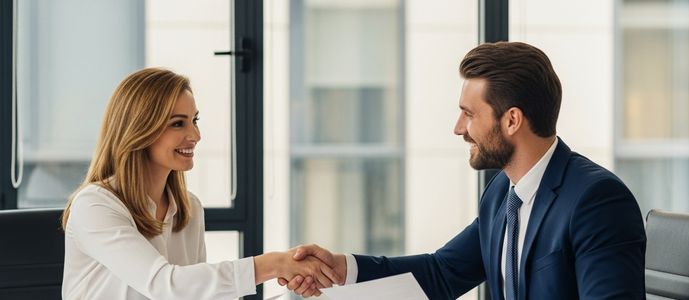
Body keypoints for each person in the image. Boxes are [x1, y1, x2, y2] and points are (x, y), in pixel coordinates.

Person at [282, 42, 647, 299]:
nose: (459, 128)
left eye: (470, 114)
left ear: (512, 120)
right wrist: (342, 269)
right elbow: (442, 274)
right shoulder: (502, 195)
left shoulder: (595, 201)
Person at [60, 67, 341, 300]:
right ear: (140, 130)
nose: (195, 134)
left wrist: (289, 271)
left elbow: (194, 292)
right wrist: (274, 264)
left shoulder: (188, 208)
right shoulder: (95, 205)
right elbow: (166, 285)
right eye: (178, 124)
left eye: (194, 120)